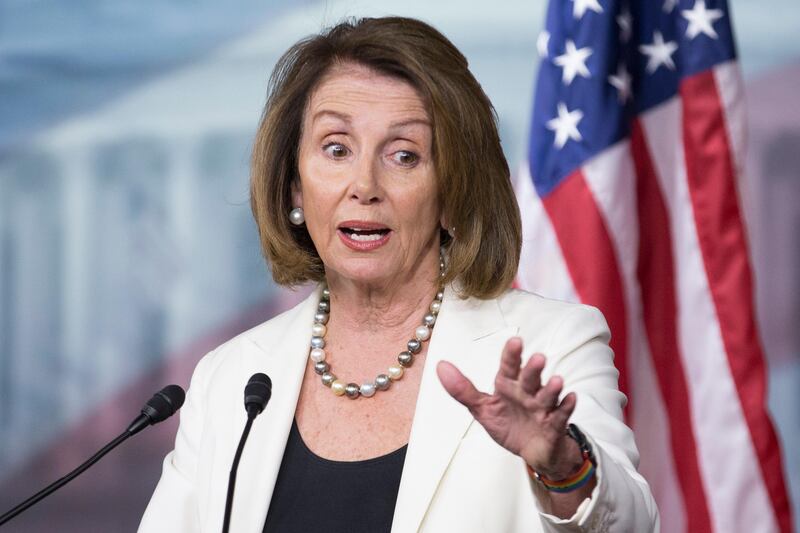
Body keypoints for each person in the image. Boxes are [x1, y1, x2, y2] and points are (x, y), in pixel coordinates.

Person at [139, 16, 659, 533]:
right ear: (295, 187)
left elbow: (630, 526)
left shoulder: (553, 343)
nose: (364, 185)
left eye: (404, 156)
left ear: (452, 193)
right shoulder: (229, 380)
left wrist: (563, 466)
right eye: (336, 149)